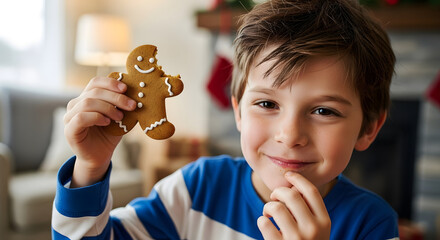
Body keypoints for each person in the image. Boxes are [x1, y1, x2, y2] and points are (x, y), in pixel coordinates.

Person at [52, 0, 399, 239]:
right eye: (266, 103)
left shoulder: (370, 225)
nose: (290, 135)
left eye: (324, 111)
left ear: (369, 128)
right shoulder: (196, 189)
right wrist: (90, 167)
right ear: (237, 110)